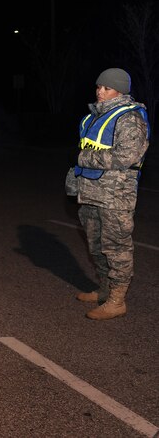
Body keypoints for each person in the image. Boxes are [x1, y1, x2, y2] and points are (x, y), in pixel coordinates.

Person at [66, 68, 150, 320]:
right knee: (96, 245)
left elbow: (127, 156)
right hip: (91, 192)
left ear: (120, 91)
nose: (100, 92)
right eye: (98, 87)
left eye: (107, 88)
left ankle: (117, 300)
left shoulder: (129, 119)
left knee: (116, 247)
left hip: (116, 196)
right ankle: (104, 289)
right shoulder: (95, 116)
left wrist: (83, 157)